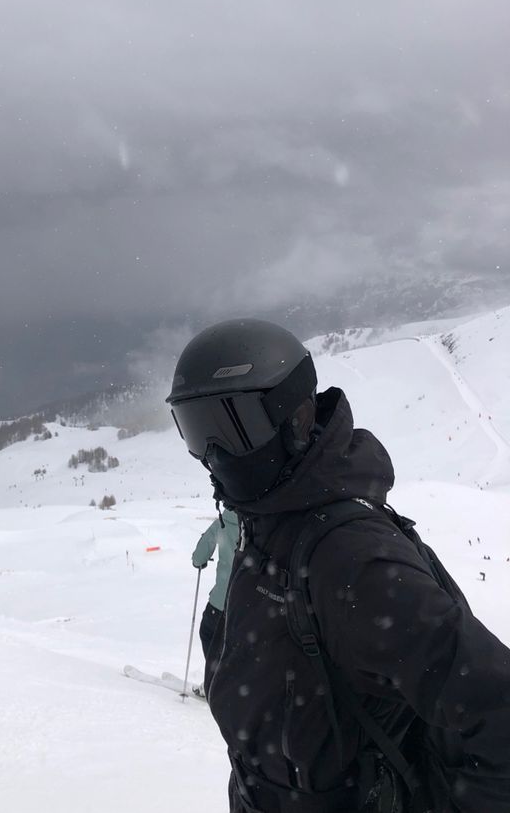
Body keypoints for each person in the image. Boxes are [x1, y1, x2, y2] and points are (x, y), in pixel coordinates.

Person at [166, 318, 510, 813]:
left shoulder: (352, 560)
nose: (213, 456)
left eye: (233, 428)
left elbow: (496, 708)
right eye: (198, 431)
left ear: (297, 418)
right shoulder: (261, 525)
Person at [191, 505, 239, 662]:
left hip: (221, 603)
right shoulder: (261, 522)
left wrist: (200, 561)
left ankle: (214, 681)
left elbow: (199, 557)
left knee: (208, 634)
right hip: (252, 604)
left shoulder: (223, 521)